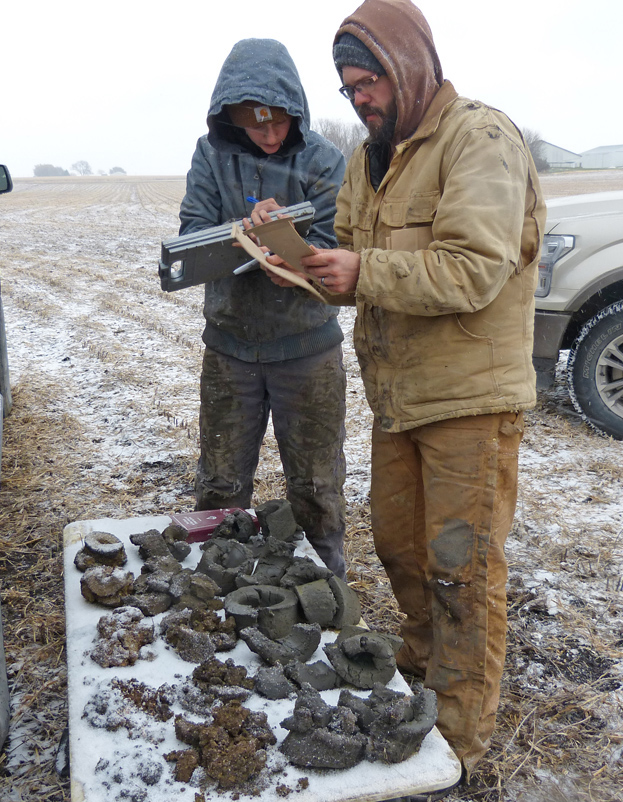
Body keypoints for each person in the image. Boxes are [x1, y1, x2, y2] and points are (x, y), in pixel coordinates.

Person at [295, 0, 548, 788]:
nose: (359, 99)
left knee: (461, 571)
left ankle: (460, 746)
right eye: (347, 90)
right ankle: (421, 680)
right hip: (399, 397)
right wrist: (301, 258)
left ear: (409, 67)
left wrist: (364, 272)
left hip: (470, 401)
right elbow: (351, 261)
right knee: (399, 547)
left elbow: (475, 268)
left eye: (366, 82)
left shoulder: (479, 140)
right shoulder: (370, 156)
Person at [178, 38, 349, 577]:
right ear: (230, 118)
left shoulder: (326, 160)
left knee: (317, 484)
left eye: (278, 123)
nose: (270, 135)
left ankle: (328, 591)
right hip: (229, 349)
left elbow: (335, 242)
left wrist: (289, 237)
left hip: (308, 350)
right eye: (256, 125)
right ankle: (217, 585)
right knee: (220, 482)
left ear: (295, 113)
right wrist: (240, 235)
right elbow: (191, 234)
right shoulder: (211, 155)